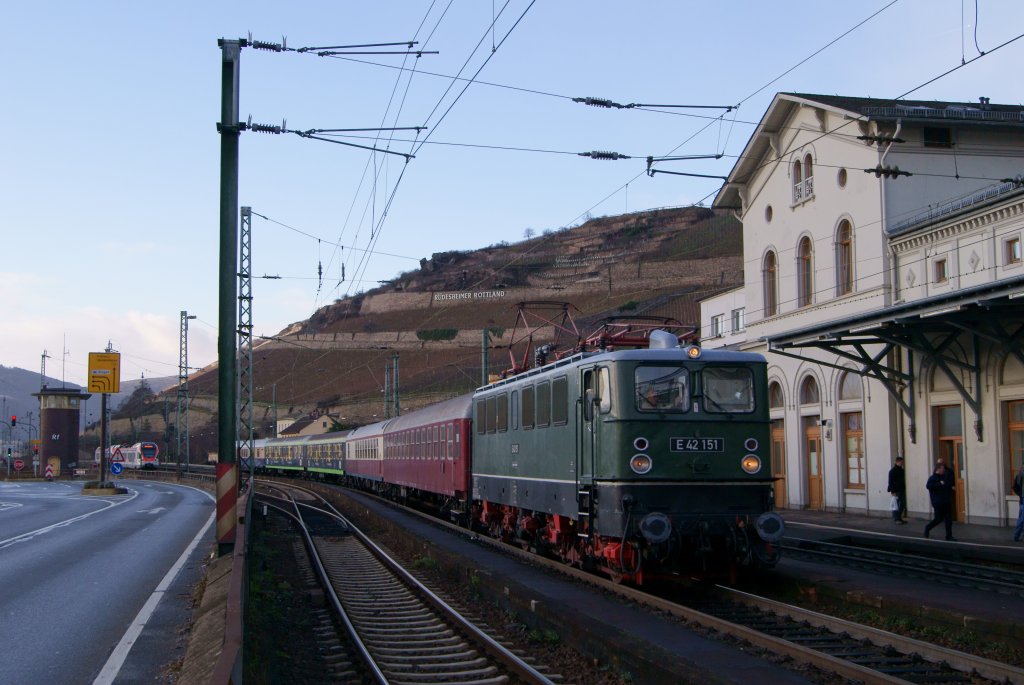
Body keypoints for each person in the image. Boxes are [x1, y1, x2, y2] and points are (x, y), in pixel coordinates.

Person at [924, 461, 956, 541]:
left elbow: (947, 485)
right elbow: (928, 486)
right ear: (938, 469)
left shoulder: (944, 477)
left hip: (946, 501)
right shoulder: (932, 478)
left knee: (948, 519)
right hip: (938, 502)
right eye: (942, 468)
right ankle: (927, 528)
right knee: (938, 519)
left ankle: (949, 536)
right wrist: (939, 484)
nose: (943, 470)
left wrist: (951, 487)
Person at [887, 456, 907, 524]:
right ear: (897, 462)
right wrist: (893, 491)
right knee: (896, 505)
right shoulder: (892, 471)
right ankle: (896, 519)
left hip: (901, 489)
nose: (902, 463)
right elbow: (890, 482)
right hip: (896, 490)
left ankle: (899, 518)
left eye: (902, 462)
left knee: (902, 504)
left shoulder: (901, 470)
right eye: (901, 462)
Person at [1012, 464, 1023, 543]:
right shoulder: (1020, 475)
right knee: (1022, 519)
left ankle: (1017, 535)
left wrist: (1020, 494)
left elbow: (1015, 487)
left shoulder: (1019, 475)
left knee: (1021, 518)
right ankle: (1016, 535)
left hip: (1022, 499)